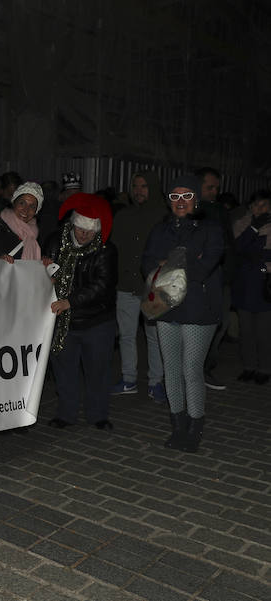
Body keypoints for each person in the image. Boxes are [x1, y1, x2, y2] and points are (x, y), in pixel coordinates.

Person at [142, 175, 223, 453]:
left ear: (196, 200)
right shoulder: (160, 230)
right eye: (175, 196)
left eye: (186, 195)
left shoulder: (211, 228)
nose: (180, 201)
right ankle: (177, 425)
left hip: (199, 308)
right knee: (171, 370)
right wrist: (186, 259)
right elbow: (148, 263)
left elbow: (207, 265)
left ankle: (194, 426)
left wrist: (171, 262)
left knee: (191, 369)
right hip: (165, 305)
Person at [44, 193, 118, 431]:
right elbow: (44, 274)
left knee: (98, 370)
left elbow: (102, 286)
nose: (84, 234)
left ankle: (98, 415)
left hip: (96, 320)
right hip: (63, 322)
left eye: (90, 230)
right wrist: (44, 271)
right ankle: (66, 413)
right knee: (65, 371)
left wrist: (70, 301)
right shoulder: (55, 241)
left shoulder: (106, 250)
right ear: (73, 224)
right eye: (80, 229)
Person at [110, 171, 167, 401]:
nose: (139, 190)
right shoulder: (123, 215)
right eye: (135, 186)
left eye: (144, 186)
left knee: (154, 337)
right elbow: (114, 249)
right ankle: (128, 379)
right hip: (125, 285)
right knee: (126, 335)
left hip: (154, 287)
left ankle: (156, 382)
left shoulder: (164, 215)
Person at [195, 166, 232, 391]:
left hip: (221, 278)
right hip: (200, 280)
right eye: (210, 187)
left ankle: (205, 367)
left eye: (217, 188)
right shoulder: (190, 210)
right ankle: (196, 369)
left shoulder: (219, 210)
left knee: (221, 323)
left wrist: (229, 273)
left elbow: (229, 245)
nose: (214, 192)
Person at [231, 190, 271, 384]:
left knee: (264, 331)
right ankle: (249, 366)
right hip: (244, 284)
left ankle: (264, 368)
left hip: (265, 284)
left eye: (264, 205)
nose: (259, 209)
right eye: (255, 205)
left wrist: (258, 258)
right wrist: (254, 228)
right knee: (245, 330)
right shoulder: (242, 224)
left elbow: (255, 254)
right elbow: (237, 248)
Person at [0, 181, 43, 261]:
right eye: (22, 203)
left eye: (32, 206)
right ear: (14, 203)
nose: (26, 210)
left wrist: (44, 262)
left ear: (36, 211)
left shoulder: (34, 235)